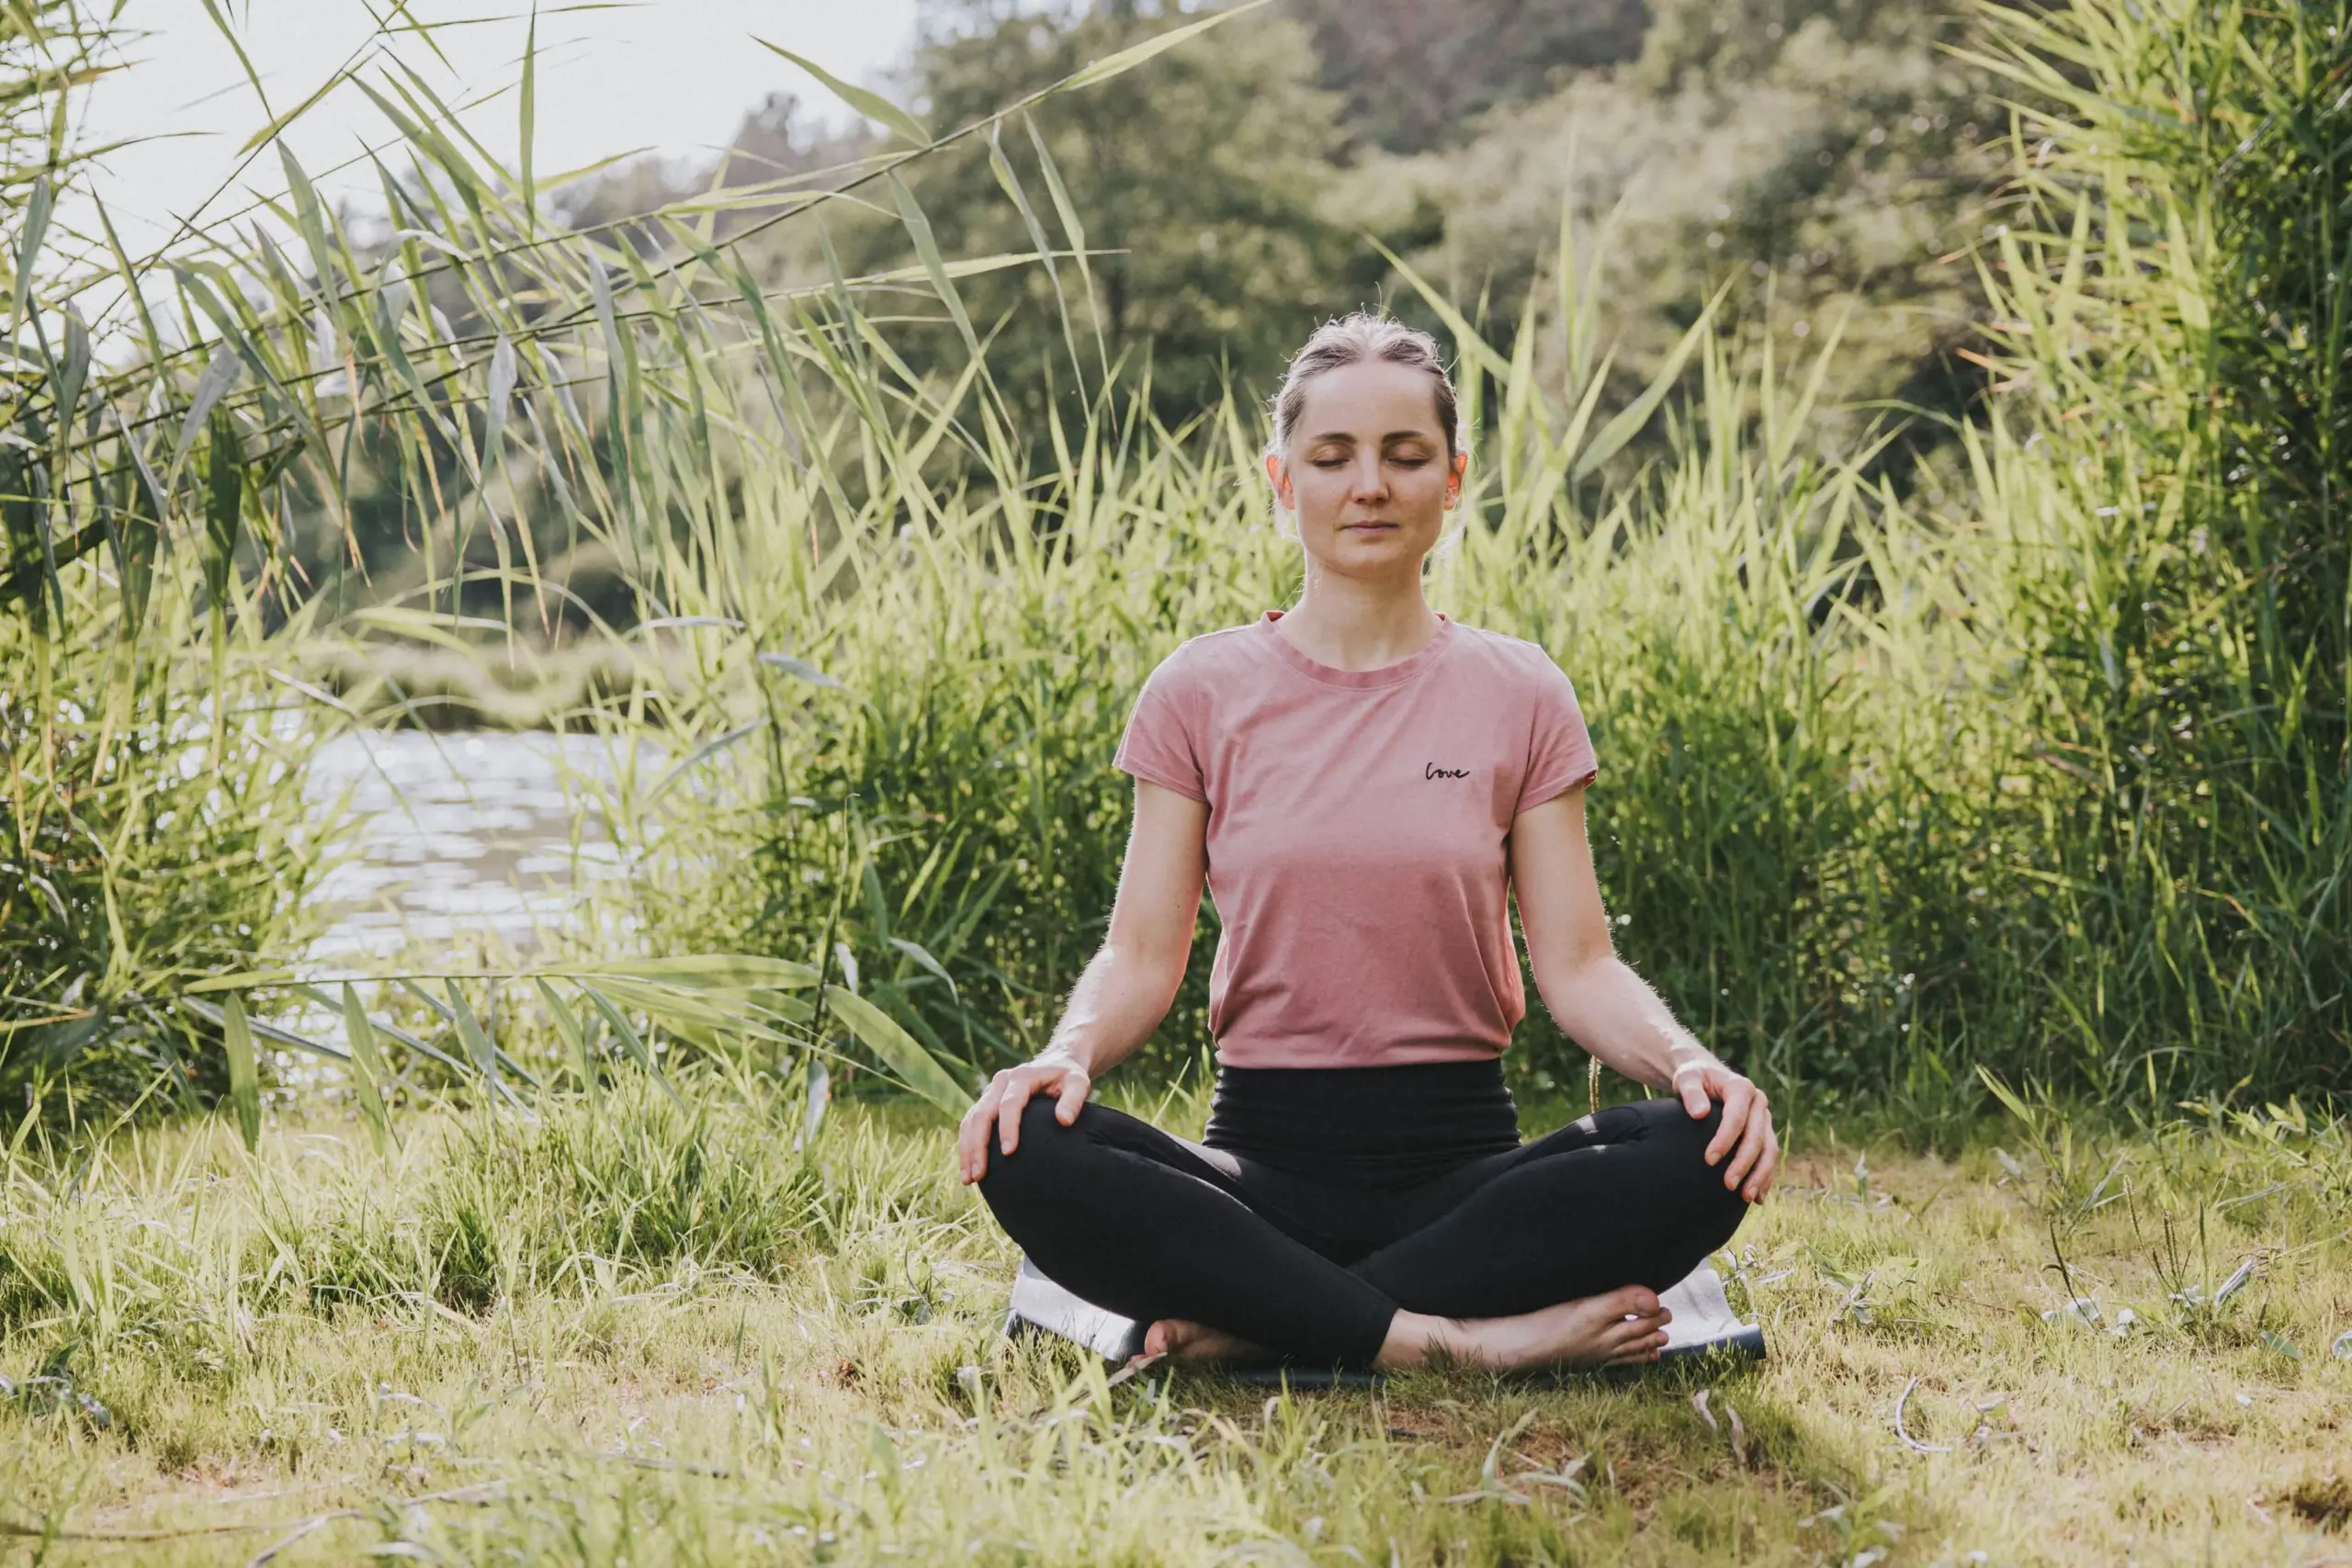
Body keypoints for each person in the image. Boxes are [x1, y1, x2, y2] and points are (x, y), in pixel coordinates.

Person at [956, 312, 1781, 1374]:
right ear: (1281, 478)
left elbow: (1578, 965)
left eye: (1404, 455)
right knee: (1029, 1145)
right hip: (1258, 1168)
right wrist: (1061, 1054)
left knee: (1691, 1151)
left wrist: (1689, 1063)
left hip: (1466, 1173)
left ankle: (1260, 1317)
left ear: (1452, 477)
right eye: (1332, 456)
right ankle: (1459, 1343)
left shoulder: (1519, 691)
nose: (1369, 486)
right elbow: (1141, 956)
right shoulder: (1199, 691)